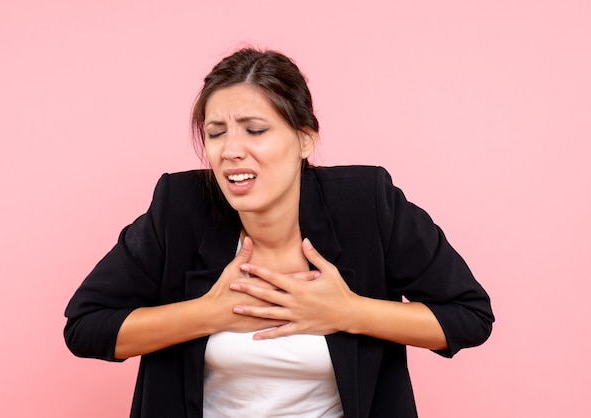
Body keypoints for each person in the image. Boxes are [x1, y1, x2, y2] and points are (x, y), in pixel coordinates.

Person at [64, 48, 494, 418]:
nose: (231, 150)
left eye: (255, 130)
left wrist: (348, 312)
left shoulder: (367, 204)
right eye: (216, 133)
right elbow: (86, 326)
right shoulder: (180, 207)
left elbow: (469, 316)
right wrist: (207, 313)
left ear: (305, 140)